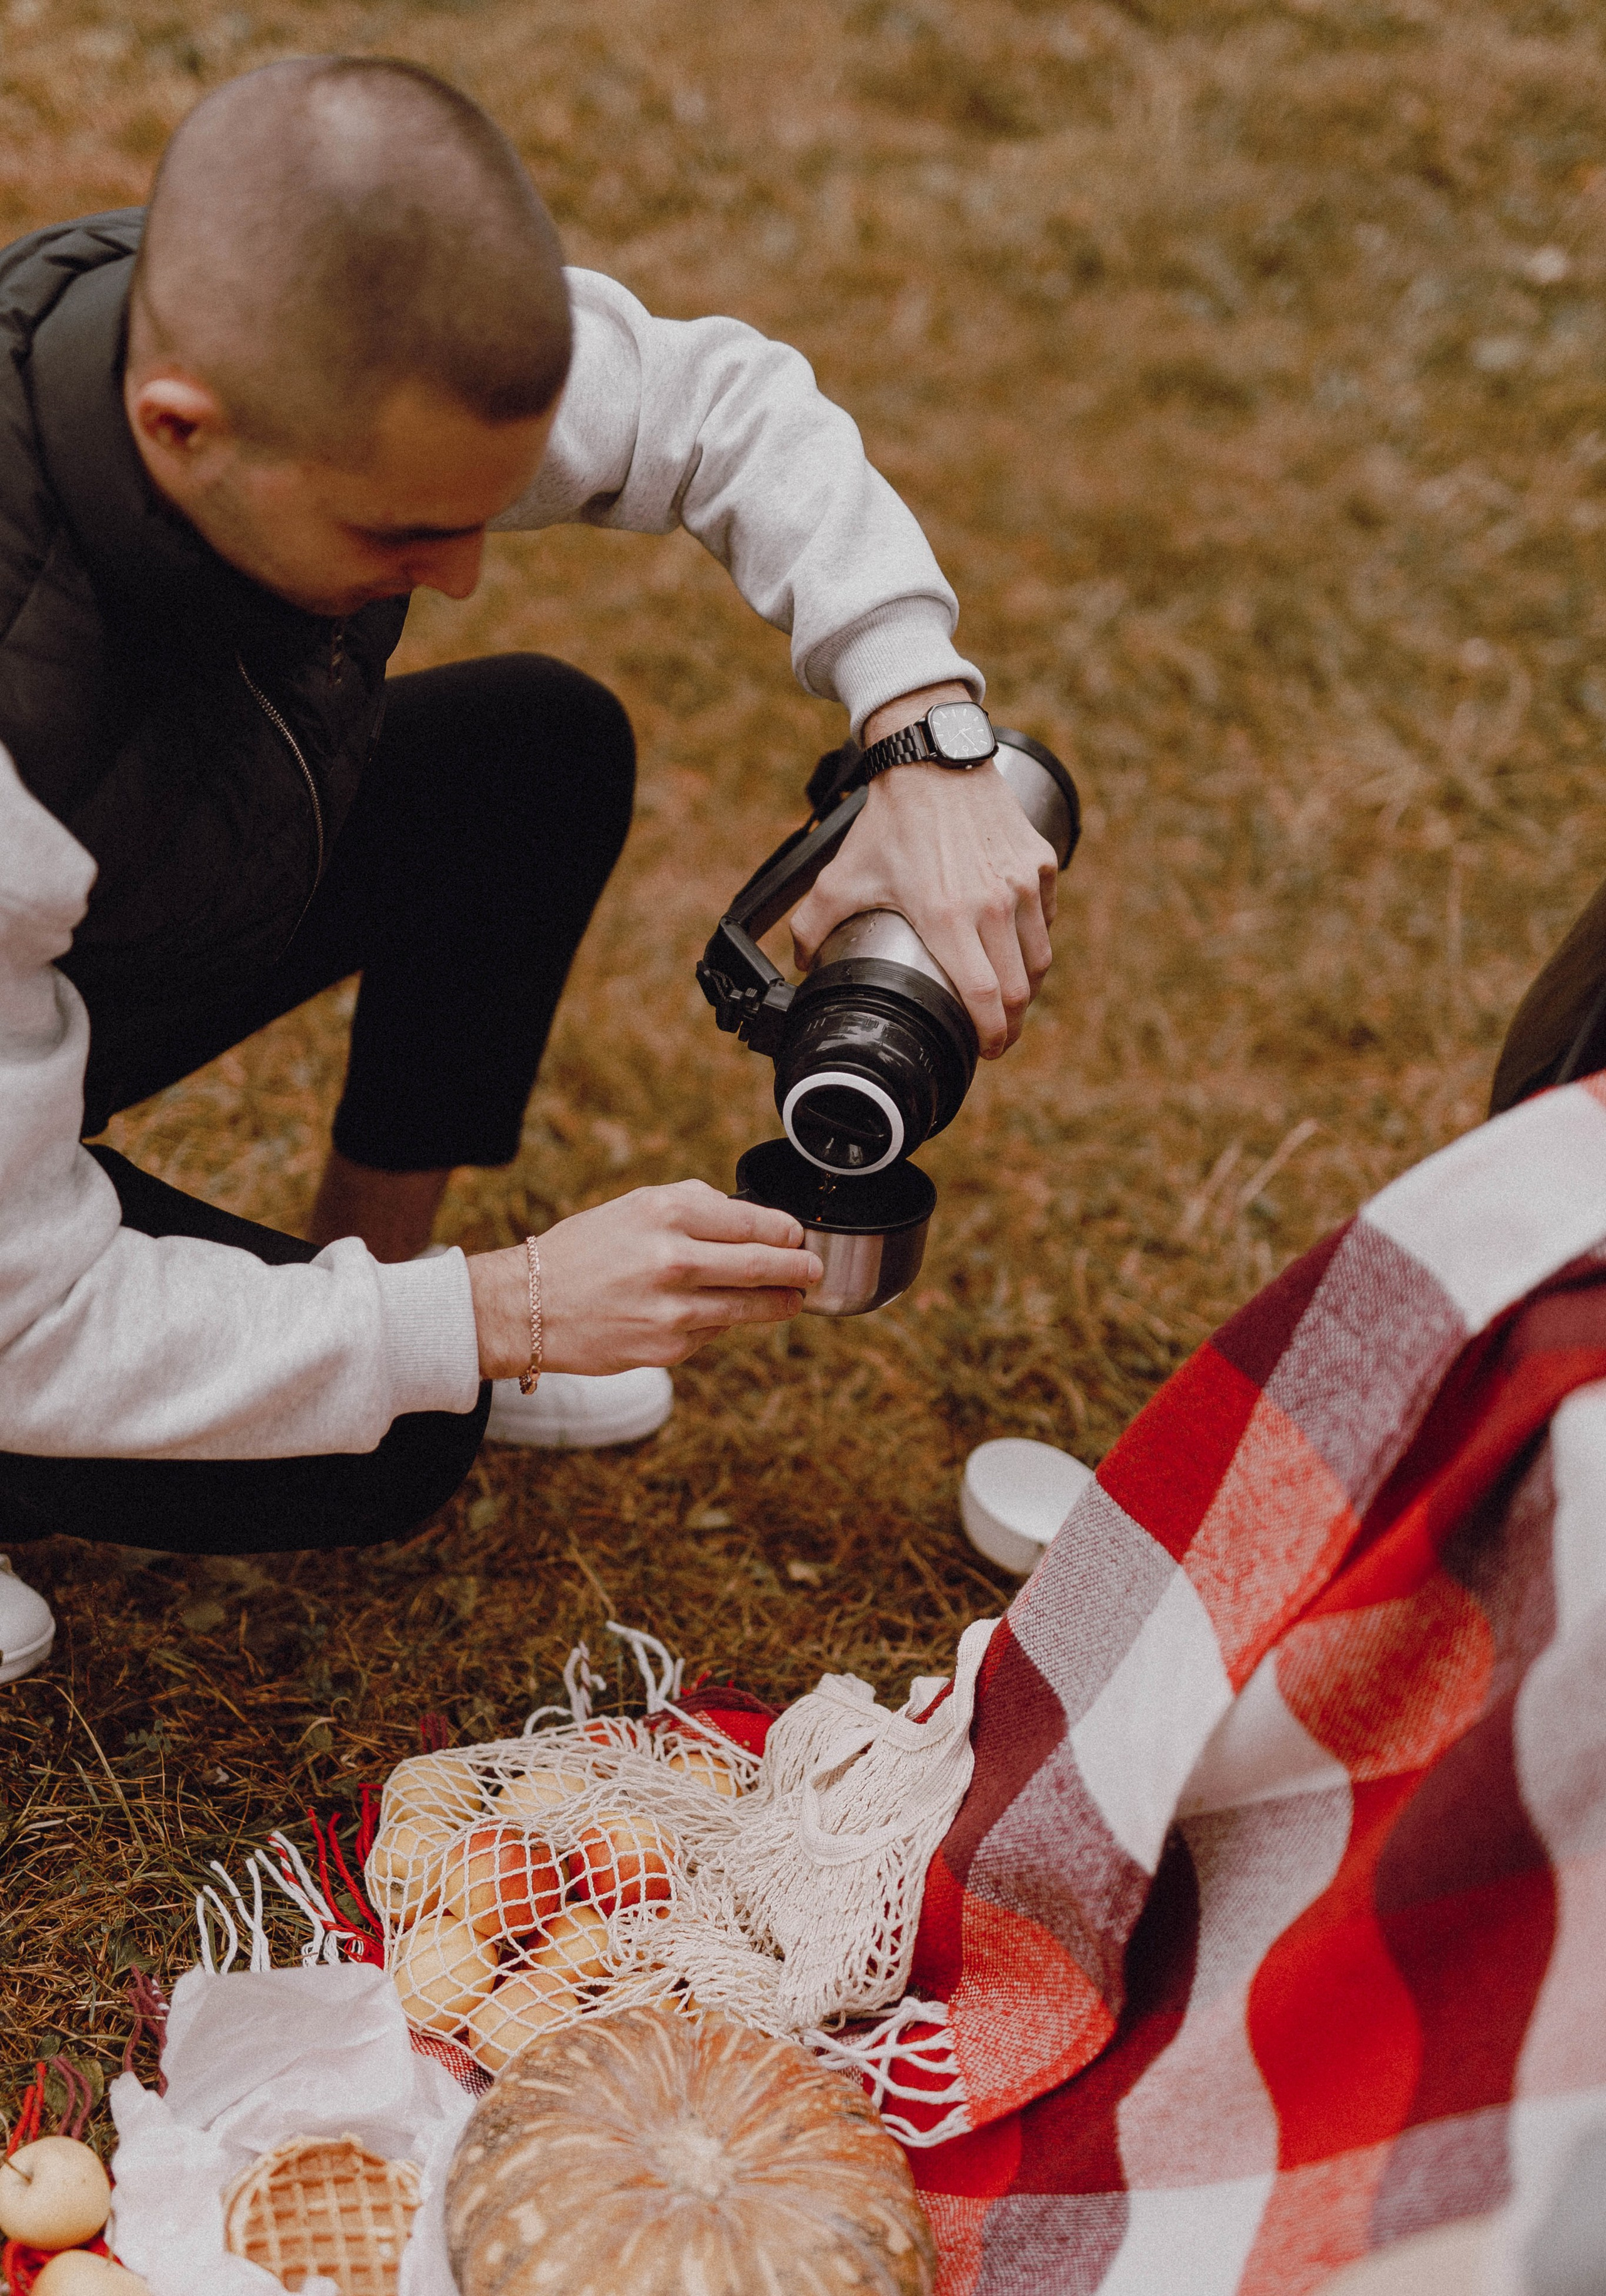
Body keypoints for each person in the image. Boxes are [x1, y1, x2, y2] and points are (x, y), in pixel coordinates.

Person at [0, 55, 1058, 1578]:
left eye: (480, 514)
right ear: (181, 430)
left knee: (532, 751)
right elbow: (32, 1320)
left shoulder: (296, 340)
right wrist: (505, 1318)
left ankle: (358, 1264)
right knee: (395, 1439)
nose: (461, 572)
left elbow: (715, 402)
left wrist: (922, 734)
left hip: (72, 939)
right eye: (404, 533)